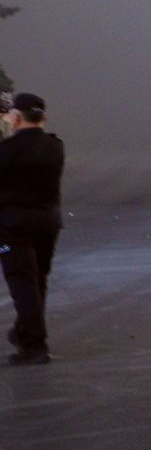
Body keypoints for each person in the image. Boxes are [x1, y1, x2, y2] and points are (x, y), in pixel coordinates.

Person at [1, 93, 65, 365]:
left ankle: (35, 344)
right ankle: (24, 332)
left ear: (15, 117)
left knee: (21, 280)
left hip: (12, 228)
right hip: (48, 223)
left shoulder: (8, 149)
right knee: (38, 279)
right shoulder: (55, 146)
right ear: (44, 117)